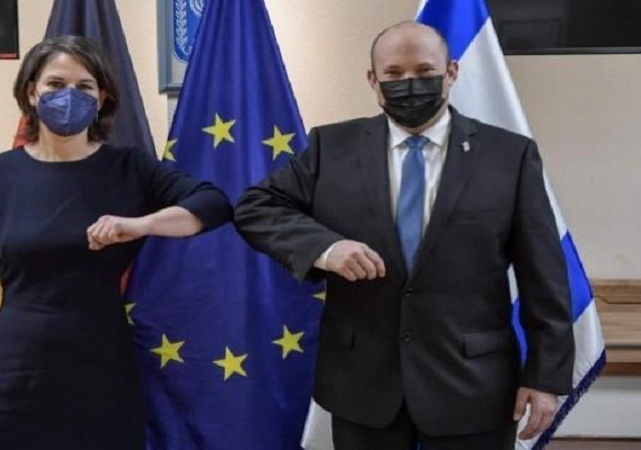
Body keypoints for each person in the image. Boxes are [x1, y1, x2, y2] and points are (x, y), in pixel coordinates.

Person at [234, 22, 574, 450]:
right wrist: (325, 248)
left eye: (424, 70)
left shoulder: (509, 155)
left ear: (451, 72)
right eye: (393, 73)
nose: (409, 83)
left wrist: (544, 377)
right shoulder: (330, 147)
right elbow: (255, 207)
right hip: (363, 385)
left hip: (473, 385)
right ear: (372, 80)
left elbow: (544, 275)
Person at [0, 35, 233, 449]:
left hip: (100, 363)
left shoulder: (130, 168)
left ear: (102, 97)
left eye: (84, 86)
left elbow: (214, 204)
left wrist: (141, 224)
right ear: (32, 92)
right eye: (55, 84)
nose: (68, 95)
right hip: (14, 366)